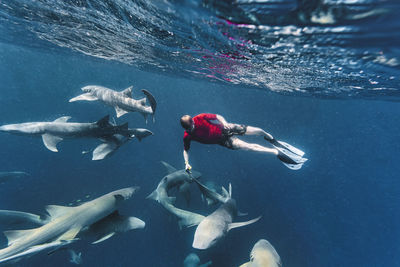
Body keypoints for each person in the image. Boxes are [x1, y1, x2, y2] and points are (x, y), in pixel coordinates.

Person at [180, 113, 307, 171]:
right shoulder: (187, 136)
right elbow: (186, 150)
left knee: (259, 131)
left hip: (227, 128)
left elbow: (217, 116)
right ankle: (275, 152)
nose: (194, 124)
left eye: (193, 122)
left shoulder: (199, 118)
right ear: (187, 128)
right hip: (223, 140)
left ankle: (271, 139)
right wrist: (186, 163)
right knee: (247, 146)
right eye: (191, 126)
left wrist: (224, 123)